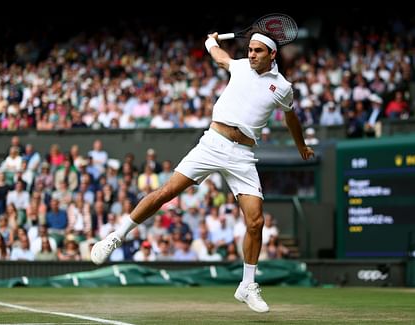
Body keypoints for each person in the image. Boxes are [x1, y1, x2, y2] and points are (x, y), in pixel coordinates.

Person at [91, 30, 315, 313]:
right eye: (250, 49)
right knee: (166, 192)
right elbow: (220, 57)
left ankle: (247, 285)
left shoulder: (283, 87)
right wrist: (211, 41)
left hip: (243, 156)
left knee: (256, 222)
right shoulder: (241, 66)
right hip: (212, 143)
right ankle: (116, 236)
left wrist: (302, 146)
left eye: (258, 50)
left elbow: (291, 118)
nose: (252, 54)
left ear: (272, 54)